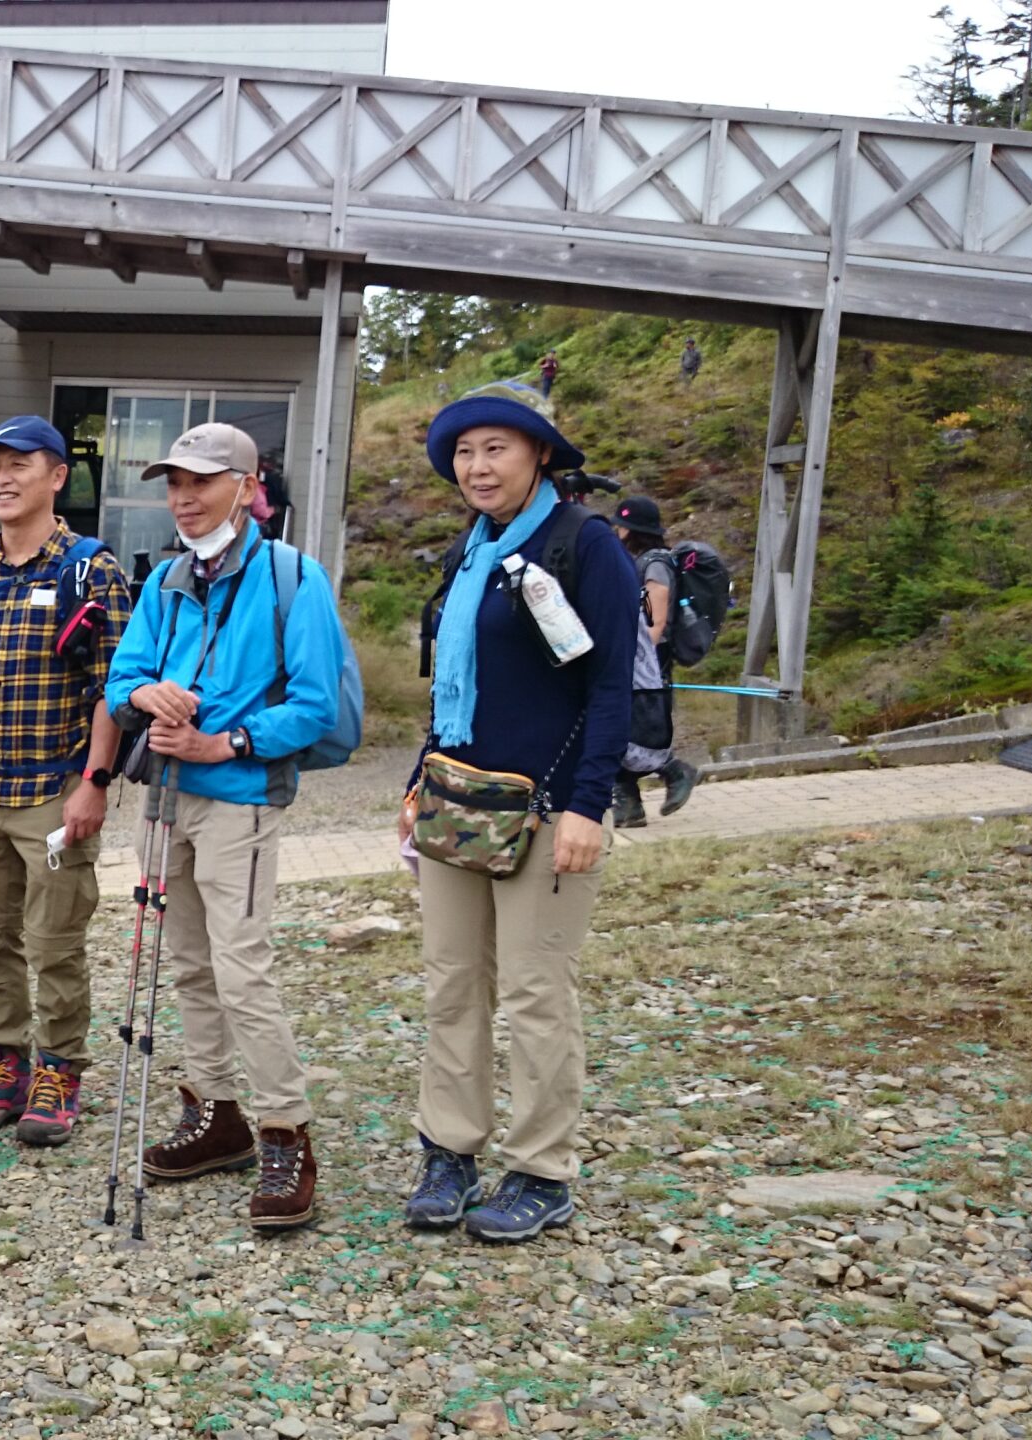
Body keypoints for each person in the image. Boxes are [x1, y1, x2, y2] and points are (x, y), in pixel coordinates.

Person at [399, 380, 636, 1242]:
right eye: (464, 452)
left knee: (537, 993)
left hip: (547, 807)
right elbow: (453, 687)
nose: (477, 466)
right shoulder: (471, 552)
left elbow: (611, 686)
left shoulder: (585, 544)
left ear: (540, 453)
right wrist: (419, 779)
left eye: (496, 447)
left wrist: (587, 804)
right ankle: (450, 1150)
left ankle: (542, 1169)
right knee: (453, 984)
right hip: (459, 801)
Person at [107, 423, 346, 1235]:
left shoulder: (293, 578)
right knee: (187, 965)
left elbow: (314, 706)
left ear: (246, 487)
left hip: (239, 797)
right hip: (163, 795)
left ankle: (286, 1131)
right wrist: (146, 697)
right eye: (175, 483)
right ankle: (217, 1112)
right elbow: (122, 677)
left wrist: (226, 742)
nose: (184, 498)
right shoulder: (166, 578)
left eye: (202, 482)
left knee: (242, 968)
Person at [0, 417, 132, 1147]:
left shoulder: (90, 570)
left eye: (20, 465)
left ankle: (60, 1072)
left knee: (53, 943)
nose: (3, 479)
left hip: (55, 788)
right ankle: (3, 1064)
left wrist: (95, 782)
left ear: (57, 477)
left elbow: (112, 689)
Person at [610, 495, 700, 825]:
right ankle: (629, 804)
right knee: (617, 726)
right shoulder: (641, 562)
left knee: (629, 729)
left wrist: (630, 656)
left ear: (633, 529)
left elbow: (653, 620)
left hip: (647, 661)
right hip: (639, 658)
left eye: (621, 526)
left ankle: (675, 771)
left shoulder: (655, 564)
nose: (616, 531)